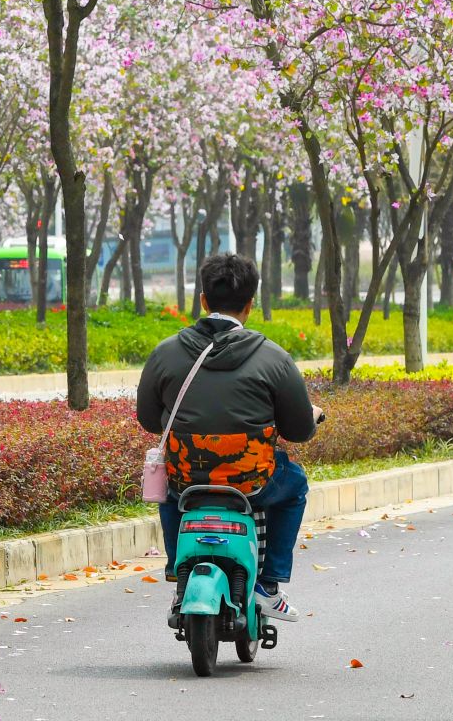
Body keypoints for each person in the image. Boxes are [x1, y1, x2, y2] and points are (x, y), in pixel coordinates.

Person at [136, 252, 319, 622]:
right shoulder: (274, 359)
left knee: (170, 488)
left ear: (203, 300)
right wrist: (312, 417)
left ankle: (178, 573)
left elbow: (150, 421)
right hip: (253, 482)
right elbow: (299, 430)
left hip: (189, 480)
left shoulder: (165, 354)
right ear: (250, 305)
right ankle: (268, 585)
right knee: (295, 483)